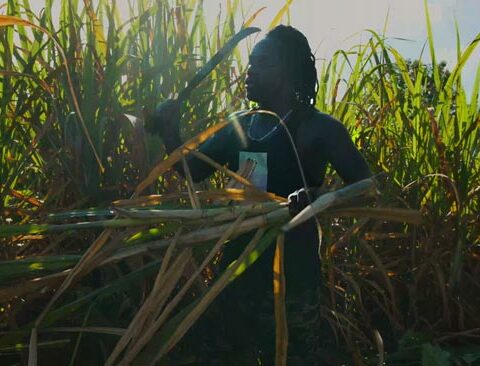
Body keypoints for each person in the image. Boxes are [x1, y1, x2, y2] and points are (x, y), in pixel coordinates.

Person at [151, 25, 371, 365]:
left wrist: (320, 196)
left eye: (261, 63)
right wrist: (170, 132)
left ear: (288, 71)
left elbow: (365, 187)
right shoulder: (241, 124)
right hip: (236, 274)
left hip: (292, 283)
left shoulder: (319, 128)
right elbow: (192, 170)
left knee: (292, 357)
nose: (248, 72)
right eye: (249, 63)